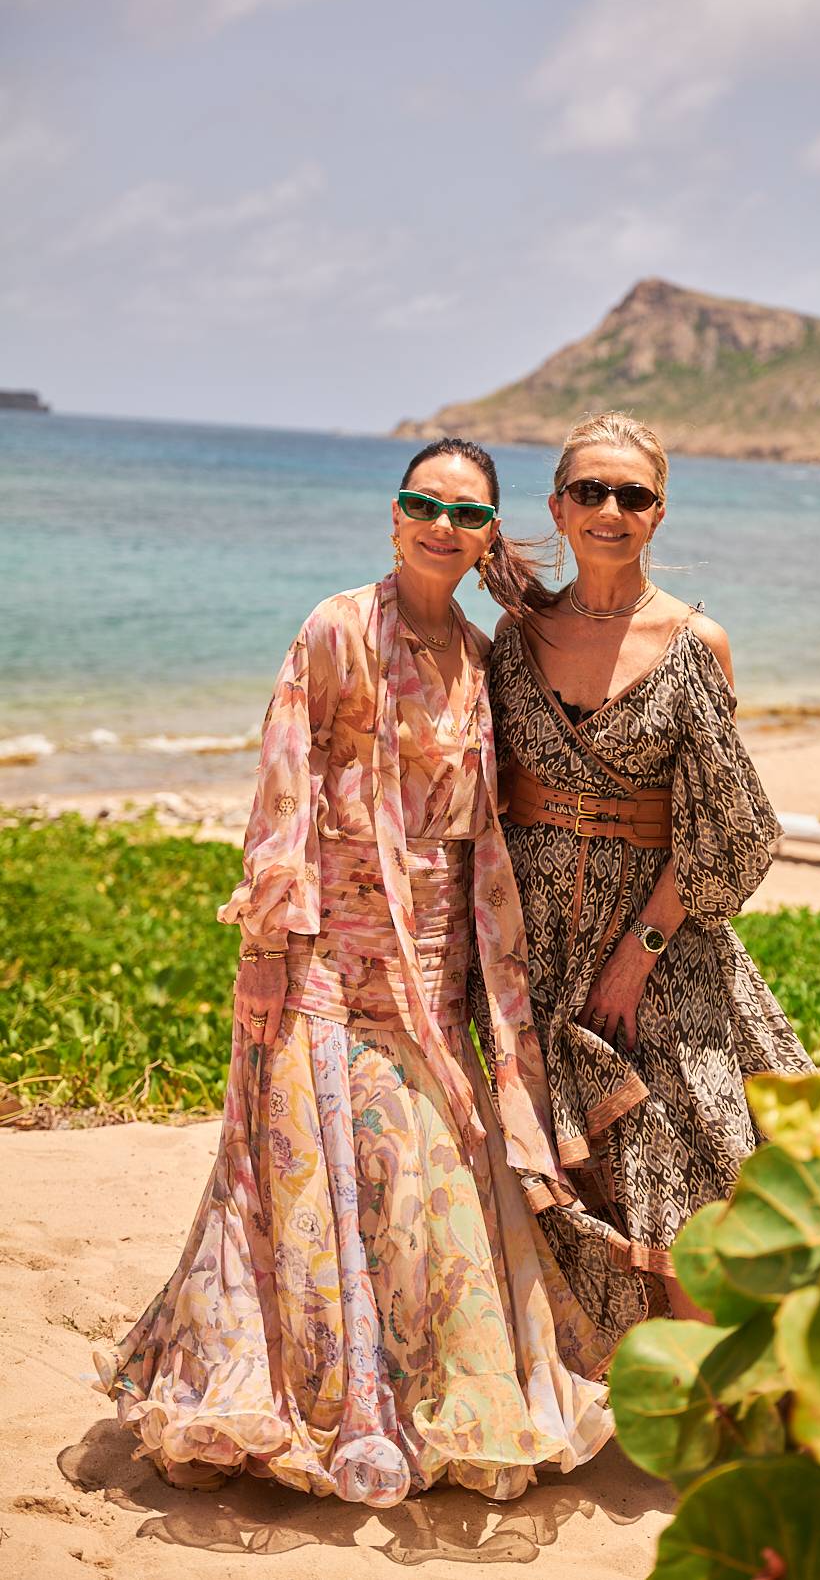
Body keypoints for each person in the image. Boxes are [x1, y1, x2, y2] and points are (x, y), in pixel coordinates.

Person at [94, 438, 613, 1506]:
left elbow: (488, 838)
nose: (442, 526)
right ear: (394, 515)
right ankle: (323, 1407)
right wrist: (270, 948)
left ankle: (428, 1403)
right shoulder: (337, 627)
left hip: (438, 970)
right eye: (424, 504)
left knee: (433, 1183)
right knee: (315, 1174)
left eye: (466, 515)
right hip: (329, 956)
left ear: (485, 538)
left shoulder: (483, 655)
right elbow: (283, 787)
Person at [481, 411, 820, 1330]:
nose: (609, 509)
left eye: (632, 494)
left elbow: (728, 827)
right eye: (590, 491)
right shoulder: (515, 638)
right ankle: (614, 1372)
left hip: (659, 933)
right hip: (537, 937)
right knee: (575, 1164)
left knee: (696, 1142)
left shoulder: (699, 645)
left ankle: (734, 1385)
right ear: (559, 507)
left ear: (659, 514)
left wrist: (641, 950)